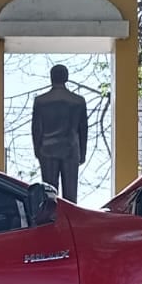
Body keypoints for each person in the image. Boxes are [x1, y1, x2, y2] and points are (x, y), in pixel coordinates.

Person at [31, 64, 89, 203]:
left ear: (51, 78)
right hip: (71, 150)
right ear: (66, 78)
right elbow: (83, 130)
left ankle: (52, 222)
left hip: (47, 150)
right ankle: (71, 221)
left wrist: (37, 150)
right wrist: (82, 153)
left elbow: (36, 129)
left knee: (49, 196)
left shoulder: (41, 101)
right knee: (70, 196)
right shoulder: (78, 101)